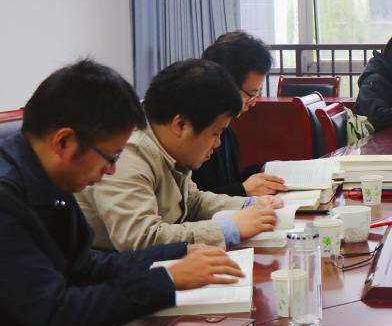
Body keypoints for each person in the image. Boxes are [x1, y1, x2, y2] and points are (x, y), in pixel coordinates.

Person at [0, 60, 245, 326]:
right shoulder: (8, 198)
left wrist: (177, 254)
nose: (112, 170)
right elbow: (57, 313)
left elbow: (85, 266)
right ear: (64, 141)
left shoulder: (47, 181)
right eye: (109, 156)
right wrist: (166, 282)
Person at [76, 59, 280, 251]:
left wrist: (249, 205)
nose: (218, 143)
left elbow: (192, 201)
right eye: (215, 133)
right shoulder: (128, 153)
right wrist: (228, 229)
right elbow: (142, 238)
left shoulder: (166, 141)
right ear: (180, 125)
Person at [194, 31, 288, 196]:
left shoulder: (227, 130)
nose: (253, 102)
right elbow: (197, 200)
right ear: (225, 84)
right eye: (251, 94)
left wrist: (265, 169)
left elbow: (230, 181)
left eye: (257, 93)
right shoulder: (195, 131)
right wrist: (243, 189)